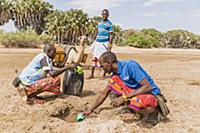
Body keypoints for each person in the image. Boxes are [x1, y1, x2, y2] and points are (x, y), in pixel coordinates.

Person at [84, 51, 169, 126]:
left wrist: (125, 97)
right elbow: (104, 94)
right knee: (114, 92)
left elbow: (148, 86)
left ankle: (153, 113)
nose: (102, 69)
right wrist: (91, 110)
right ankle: (133, 109)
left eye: (102, 66)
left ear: (109, 62)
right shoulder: (115, 75)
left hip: (152, 95)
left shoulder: (130, 66)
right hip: (138, 93)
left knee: (132, 100)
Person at [87, 9, 113, 79]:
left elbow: (111, 35)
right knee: (94, 58)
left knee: (104, 59)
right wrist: (94, 38)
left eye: (106, 14)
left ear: (108, 15)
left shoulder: (109, 24)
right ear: (102, 15)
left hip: (105, 43)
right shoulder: (99, 23)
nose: (104, 15)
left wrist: (110, 46)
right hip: (98, 42)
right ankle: (92, 74)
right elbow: (97, 31)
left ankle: (103, 75)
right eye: (103, 14)